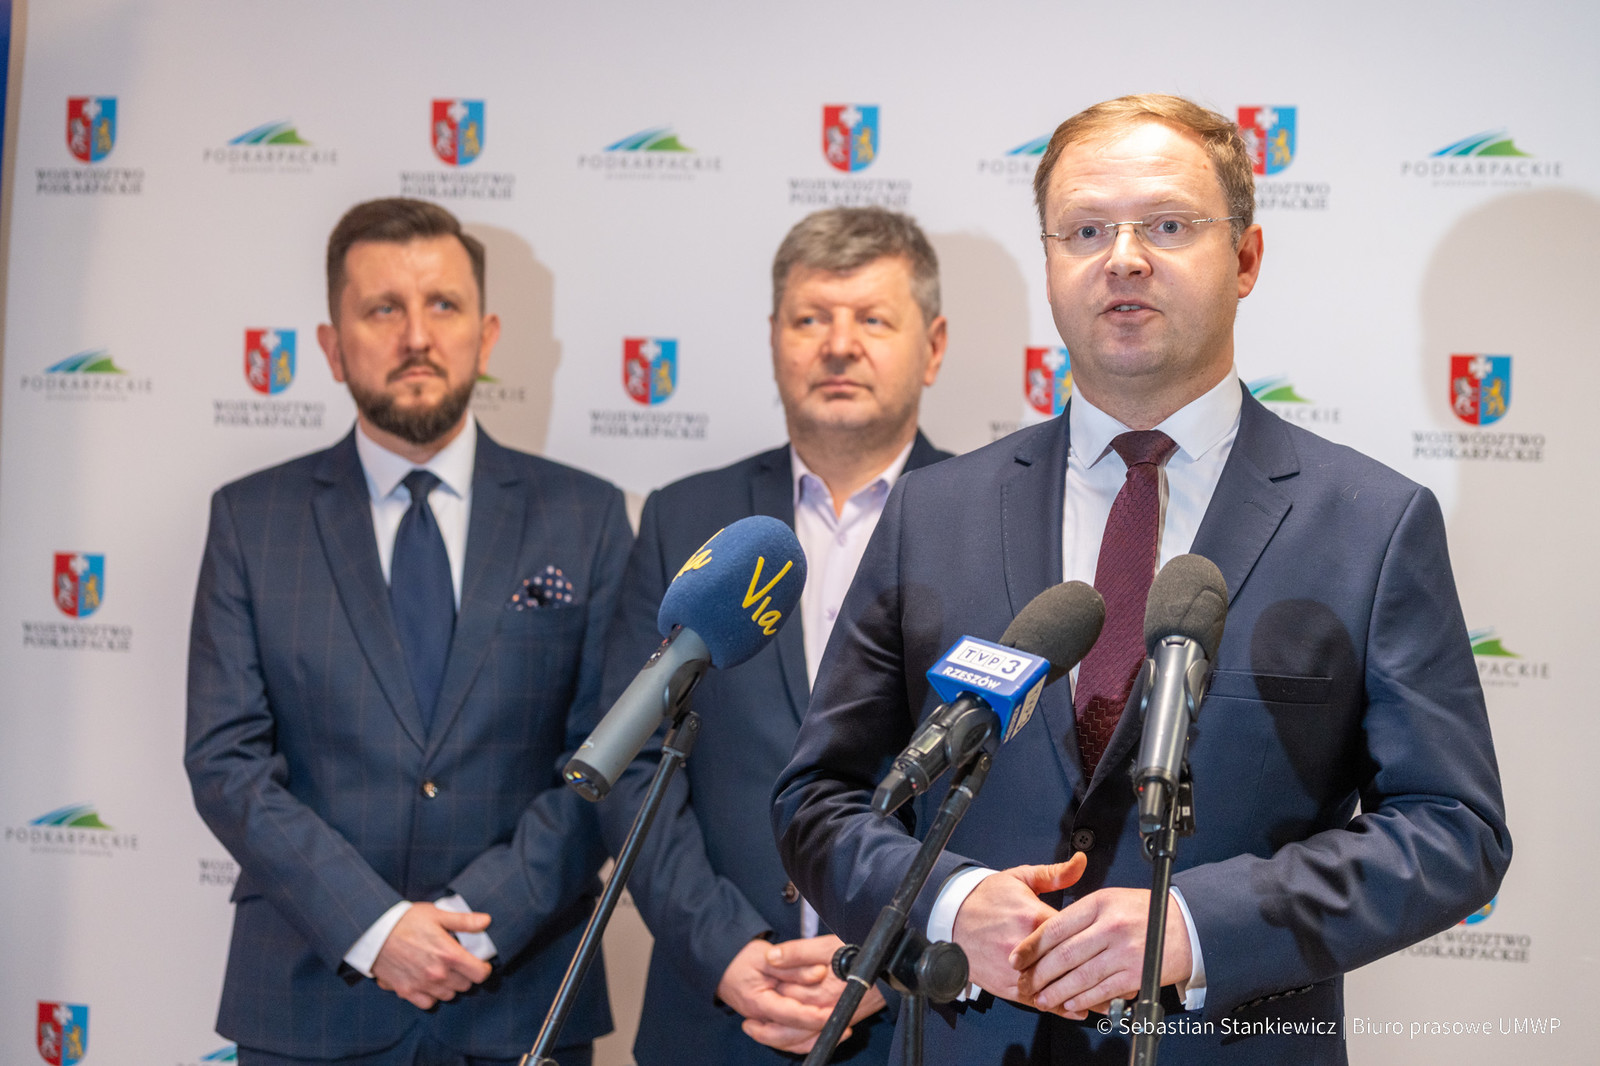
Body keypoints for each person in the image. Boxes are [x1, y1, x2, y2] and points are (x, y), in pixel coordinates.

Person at [772, 95, 1511, 1064]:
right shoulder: (933, 512)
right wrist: (948, 901)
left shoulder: (1368, 522)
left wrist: (1198, 926)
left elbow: (1453, 831)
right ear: (1049, 264)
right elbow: (818, 797)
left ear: (1245, 259)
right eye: (1085, 230)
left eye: (1166, 225)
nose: (1121, 258)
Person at [185, 198, 631, 1066]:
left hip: (522, 998)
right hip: (310, 1002)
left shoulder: (586, 517)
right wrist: (375, 927)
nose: (416, 336)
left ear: (487, 336)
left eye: (443, 306)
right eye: (383, 308)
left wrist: (475, 922)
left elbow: (609, 759)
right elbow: (225, 761)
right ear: (332, 345)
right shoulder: (252, 522)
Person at [598, 207, 953, 1064]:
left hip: (919, 1022)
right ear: (773, 339)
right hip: (717, 1016)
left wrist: (892, 958)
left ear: (934, 347)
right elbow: (633, 763)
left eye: (873, 320)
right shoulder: (685, 517)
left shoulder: (991, 518)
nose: (839, 346)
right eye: (810, 319)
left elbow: (1017, 780)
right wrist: (724, 951)